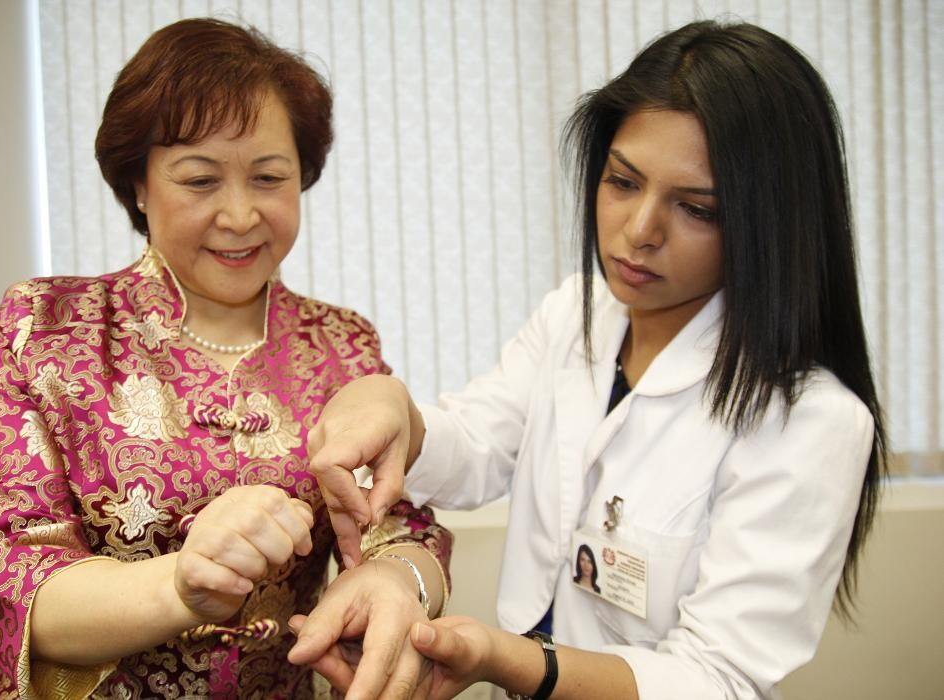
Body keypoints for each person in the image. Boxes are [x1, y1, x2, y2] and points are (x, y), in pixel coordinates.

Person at [303, 19, 887, 700]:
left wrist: (511, 660)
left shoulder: (810, 420)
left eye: (696, 209)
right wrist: (393, 407)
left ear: (769, 226)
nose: (639, 232)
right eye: (621, 182)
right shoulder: (573, 316)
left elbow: (718, 679)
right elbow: (479, 444)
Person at [0, 18, 450, 700]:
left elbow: (399, 525)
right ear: (139, 185)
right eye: (200, 180)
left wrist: (400, 577)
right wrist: (178, 585)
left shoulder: (342, 343)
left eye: (269, 177)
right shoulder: (45, 331)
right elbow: (1, 569)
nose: (240, 215)